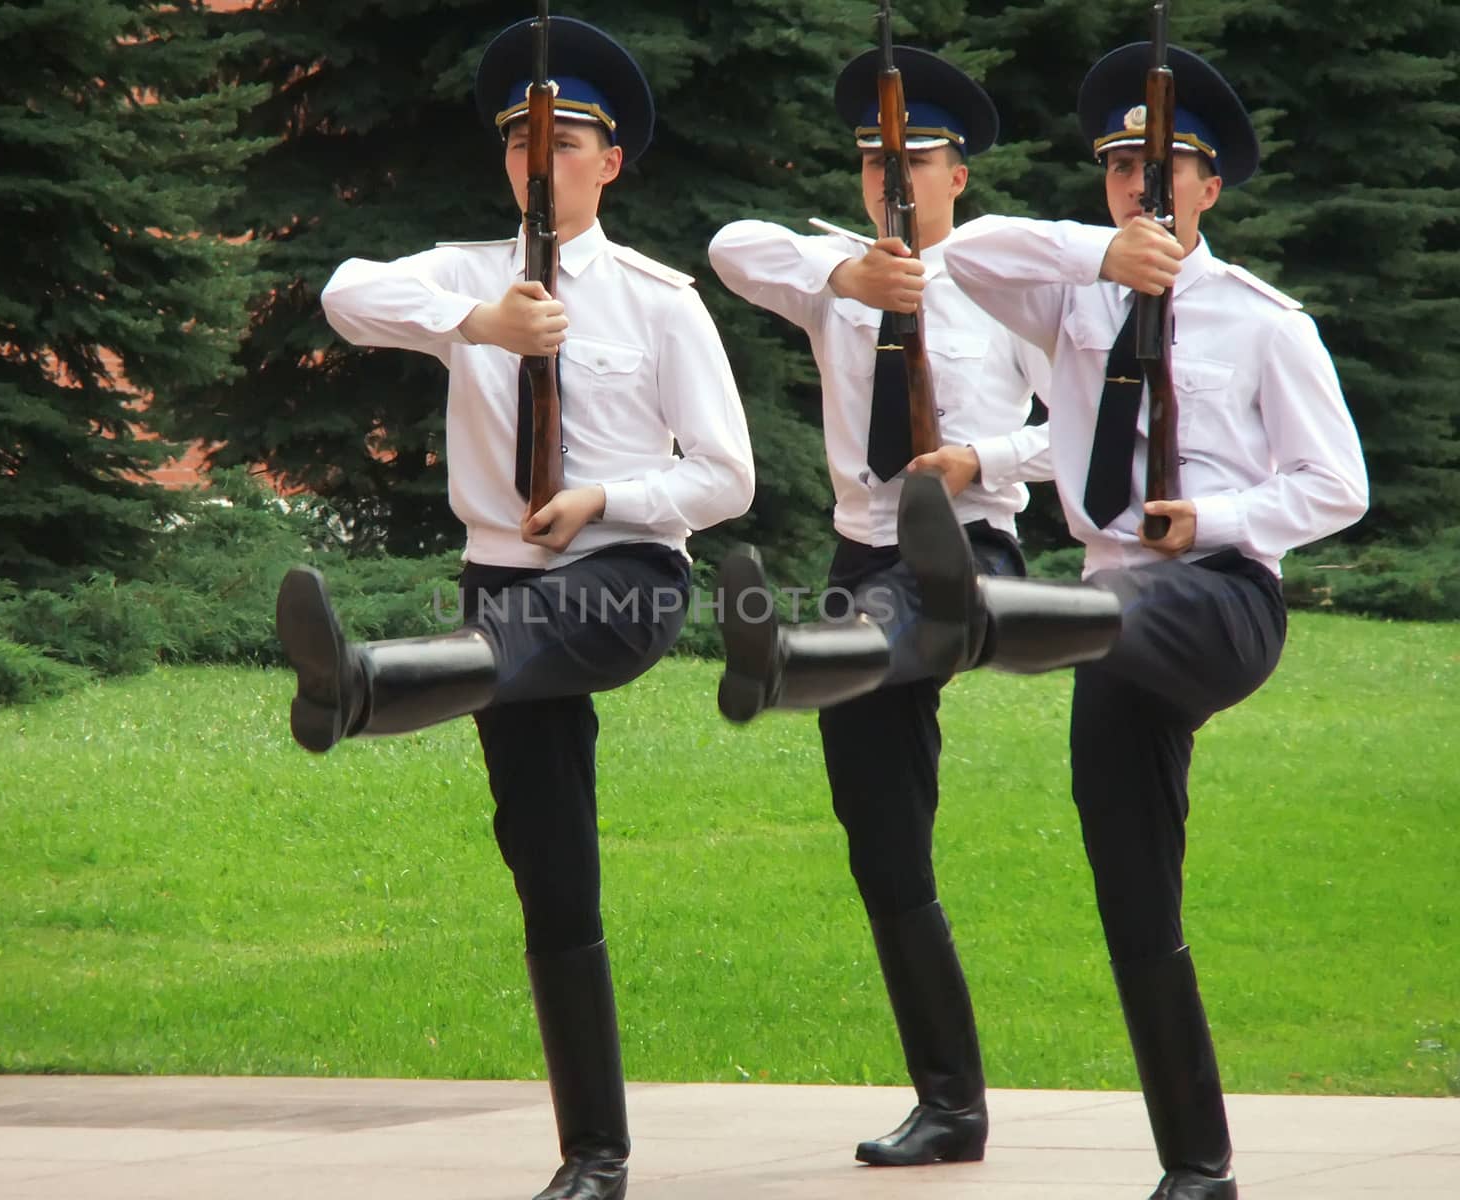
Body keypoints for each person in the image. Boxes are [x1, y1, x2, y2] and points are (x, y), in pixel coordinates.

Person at [276, 17, 754, 1200]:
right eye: (519, 144)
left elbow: (728, 475)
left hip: (625, 578)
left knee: (515, 642)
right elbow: (339, 294)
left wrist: (606, 494)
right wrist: (474, 322)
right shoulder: (462, 275)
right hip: (499, 590)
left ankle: (372, 683)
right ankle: (594, 1156)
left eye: (565, 141)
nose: (537, 163)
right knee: (550, 865)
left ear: (608, 161)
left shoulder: (656, 302)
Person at [942, 42, 1369, 1200]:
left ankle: (974, 614)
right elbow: (963, 251)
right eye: (1120, 166)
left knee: (1114, 598)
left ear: (1209, 186)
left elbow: (1337, 485)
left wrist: (1215, 516)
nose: (1138, 183)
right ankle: (1199, 1167)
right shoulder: (1069, 288)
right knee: (1134, 897)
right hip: (1102, 621)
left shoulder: (1262, 321)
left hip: (1220, 598)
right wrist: (1097, 253)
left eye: (1163, 166)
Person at [707, 48, 1119, 1167]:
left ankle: (792, 657)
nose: (888, 182)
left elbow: (1082, 427)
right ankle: (952, 1104)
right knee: (885, 849)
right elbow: (728, 247)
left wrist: (979, 454)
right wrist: (846, 282)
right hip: (862, 550)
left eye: (912, 163)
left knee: (910, 601)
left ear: (956, 178)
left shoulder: (1006, 287)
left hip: (967, 541)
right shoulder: (831, 273)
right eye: (871, 164)